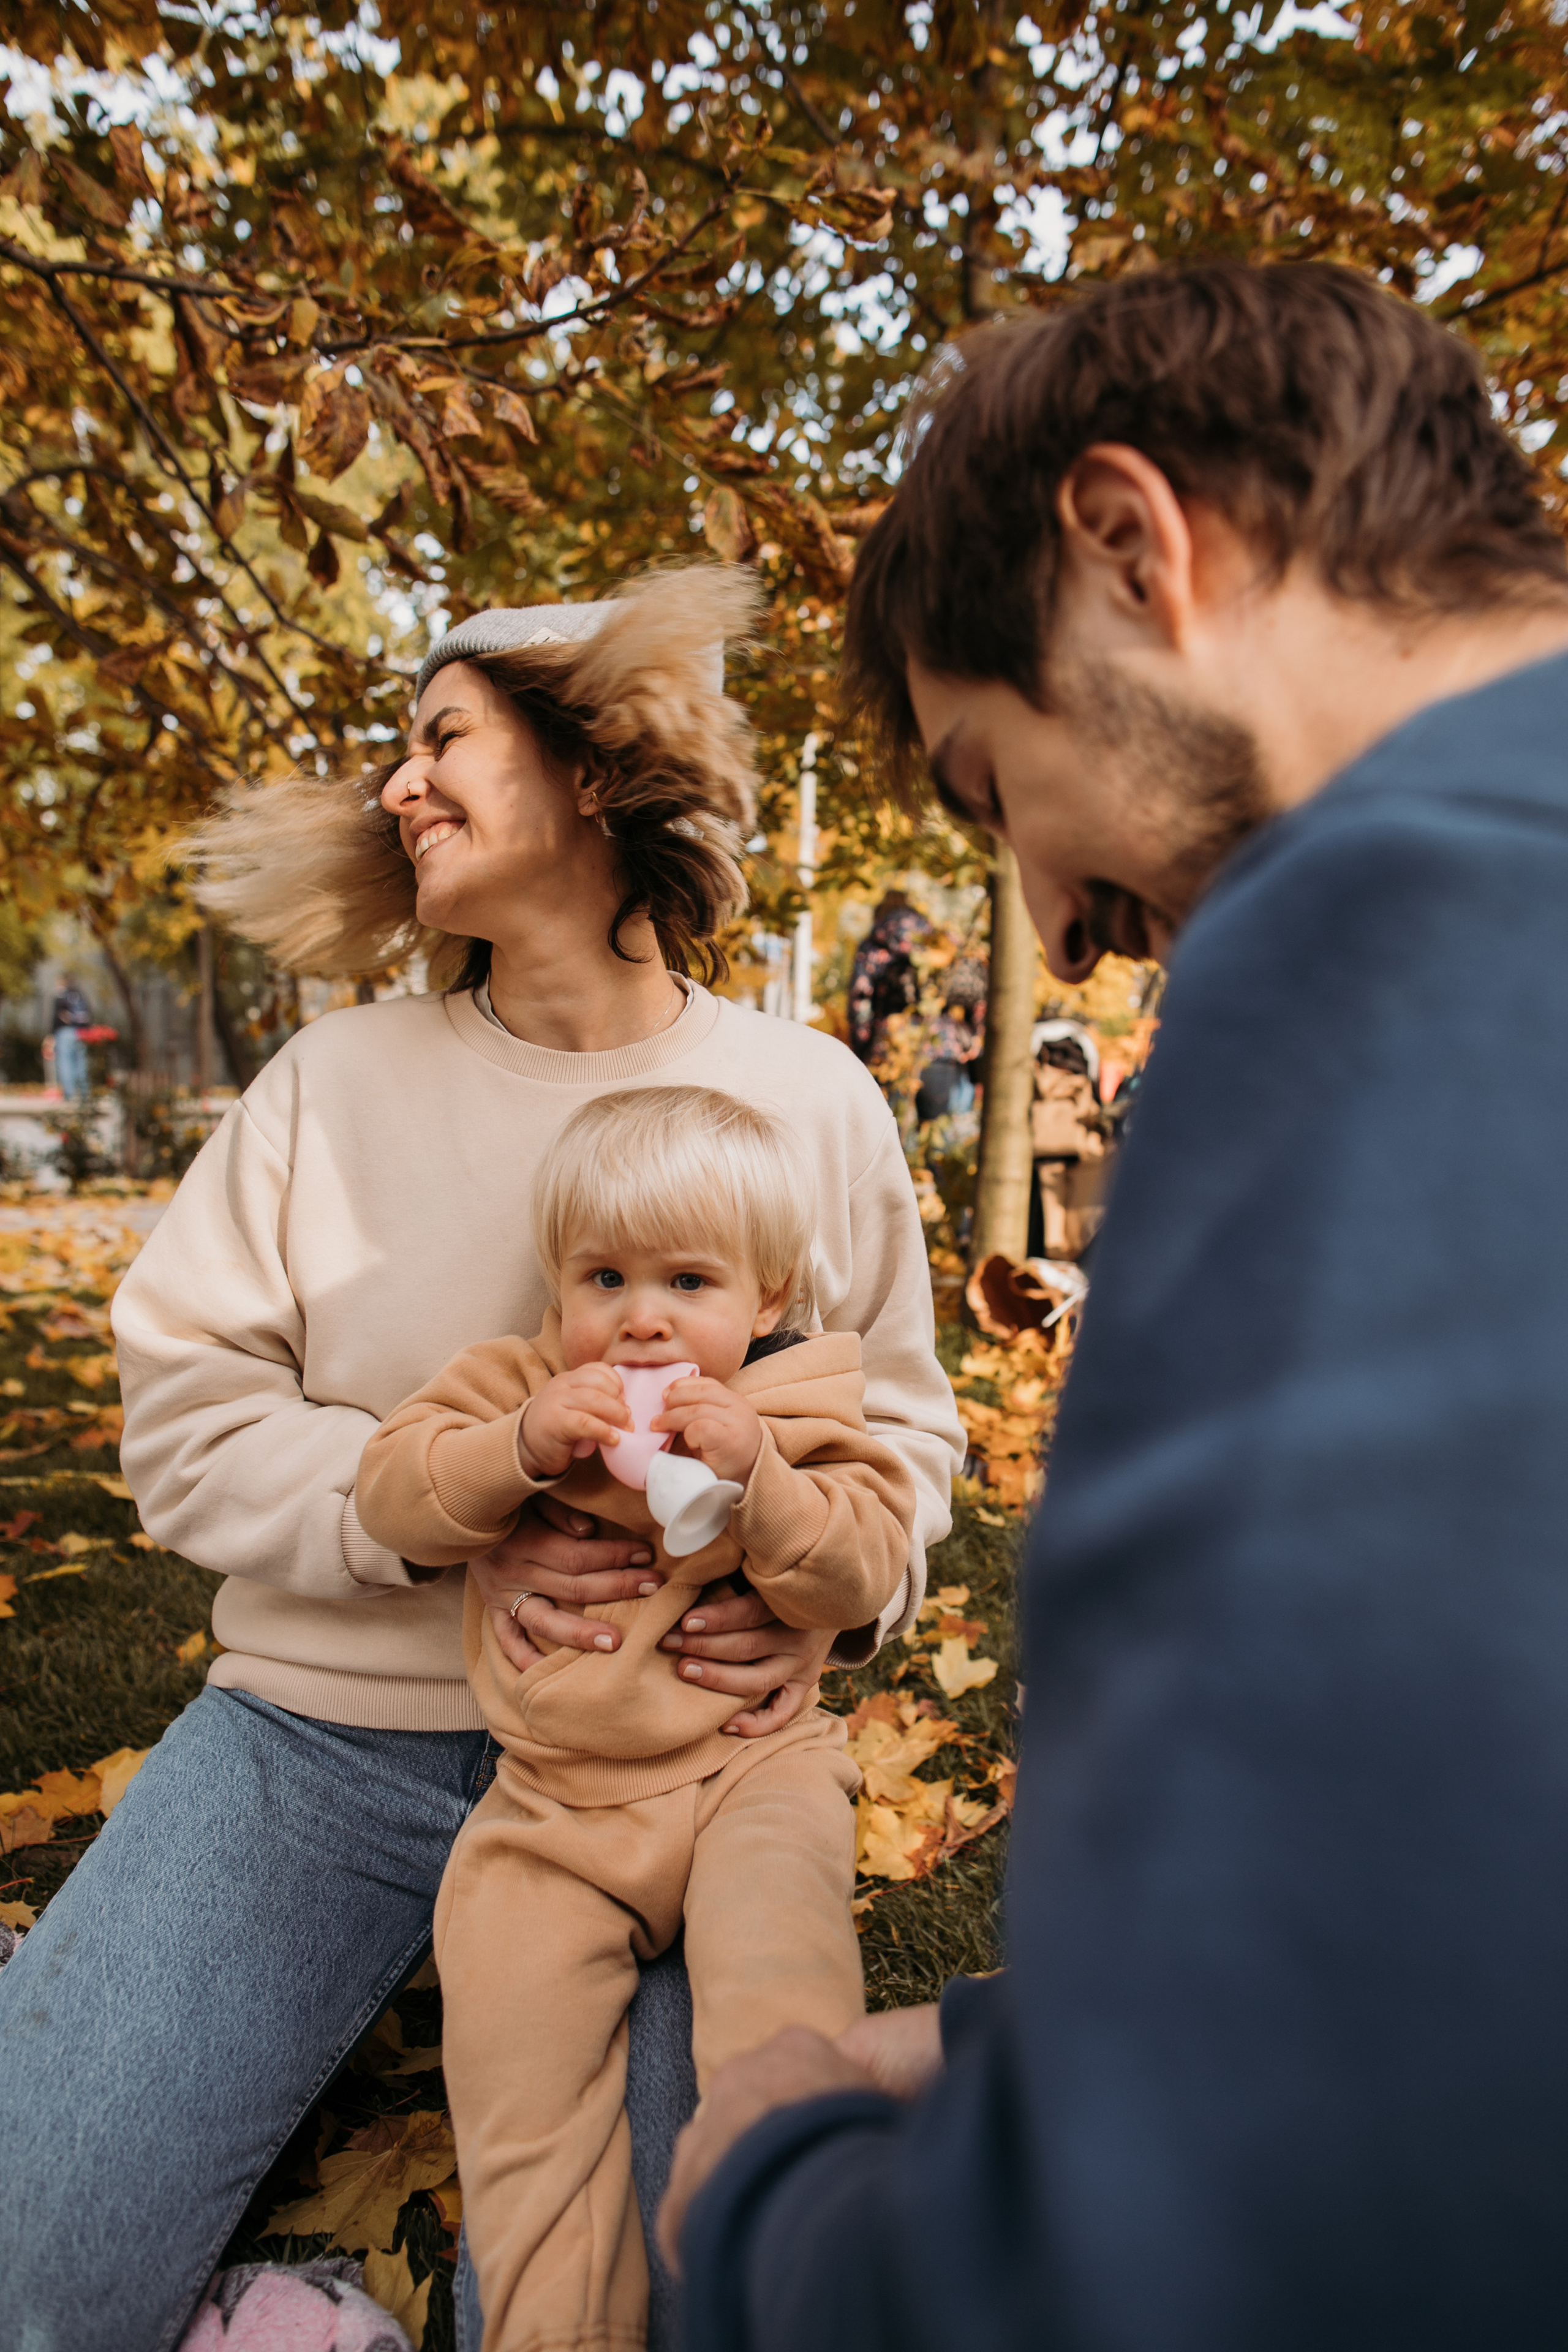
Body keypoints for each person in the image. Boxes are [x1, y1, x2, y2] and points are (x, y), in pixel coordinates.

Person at [658, 263, 1568, 2350]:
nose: (1058, 937)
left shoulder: (1373, 923)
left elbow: (1197, 2242)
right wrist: (1009, 2044)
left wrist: (785, 2204)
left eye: (992, 789)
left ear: (1130, 545)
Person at [0, 568, 963, 2352]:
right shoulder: (324, 1084)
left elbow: (895, 1428)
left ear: (592, 771)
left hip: (695, 1752)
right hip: (316, 1740)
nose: (397, 784)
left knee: (719, 2271)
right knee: (31, 2276)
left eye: (440, 736)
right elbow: (184, 1416)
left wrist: (824, 1589)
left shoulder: (809, 1096)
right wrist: (455, 1516)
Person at [355, 1084, 914, 2348]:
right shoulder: (517, 1387)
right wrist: (511, 1448)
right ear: (556, 1295)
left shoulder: (806, 1406)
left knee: (780, 2022)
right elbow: (393, 1495)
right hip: (555, 1807)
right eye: (602, 1278)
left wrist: (761, 1483)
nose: (642, 1319)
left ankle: (810, 2284)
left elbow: (863, 1566)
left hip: (750, 1779)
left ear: (763, 1302)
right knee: (518, 2085)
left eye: (688, 1283)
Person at [50, 970, 92, 1101]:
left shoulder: (61, 996)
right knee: (81, 1063)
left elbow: (56, 1018)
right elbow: (89, 1015)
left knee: (66, 1064)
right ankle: (84, 1093)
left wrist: (51, 1036)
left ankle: (70, 1094)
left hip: (65, 1033)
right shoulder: (80, 996)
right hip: (81, 1033)